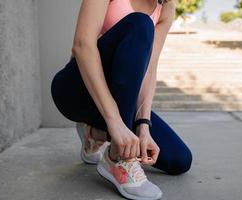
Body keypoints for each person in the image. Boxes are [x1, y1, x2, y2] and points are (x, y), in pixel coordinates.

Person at [50, 0, 193, 199]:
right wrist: (115, 122)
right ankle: (118, 158)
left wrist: (143, 125)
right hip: (77, 92)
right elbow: (82, 46)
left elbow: (149, 69)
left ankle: (95, 133)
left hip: (121, 100)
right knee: (140, 23)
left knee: (179, 159)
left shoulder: (165, 7)